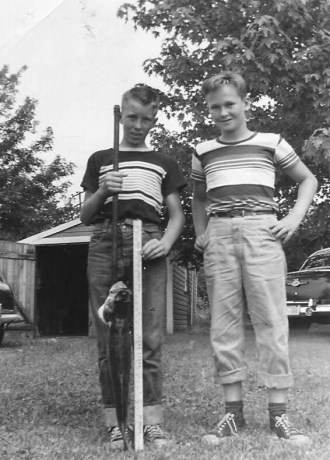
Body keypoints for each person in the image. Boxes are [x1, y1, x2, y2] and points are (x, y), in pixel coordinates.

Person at [191, 71, 318, 446]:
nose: (223, 112)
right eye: (215, 107)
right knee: (224, 325)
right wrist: (203, 232)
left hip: (262, 232)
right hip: (220, 236)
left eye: (230, 104)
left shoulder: (270, 142)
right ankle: (233, 414)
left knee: (271, 322)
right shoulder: (203, 151)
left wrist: (293, 218)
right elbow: (199, 198)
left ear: (245, 102)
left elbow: (307, 179)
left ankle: (279, 416)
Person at [80, 84, 186, 449]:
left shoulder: (164, 163)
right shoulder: (100, 159)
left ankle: (152, 423)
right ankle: (115, 423)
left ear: (155, 120)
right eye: (131, 117)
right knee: (109, 337)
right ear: (120, 115)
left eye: (146, 119)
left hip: (149, 243)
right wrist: (102, 191)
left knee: (150, 337)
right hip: (105, 241)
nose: (138, 125)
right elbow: (85, 215)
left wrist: (166, 242)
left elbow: (176, 216)